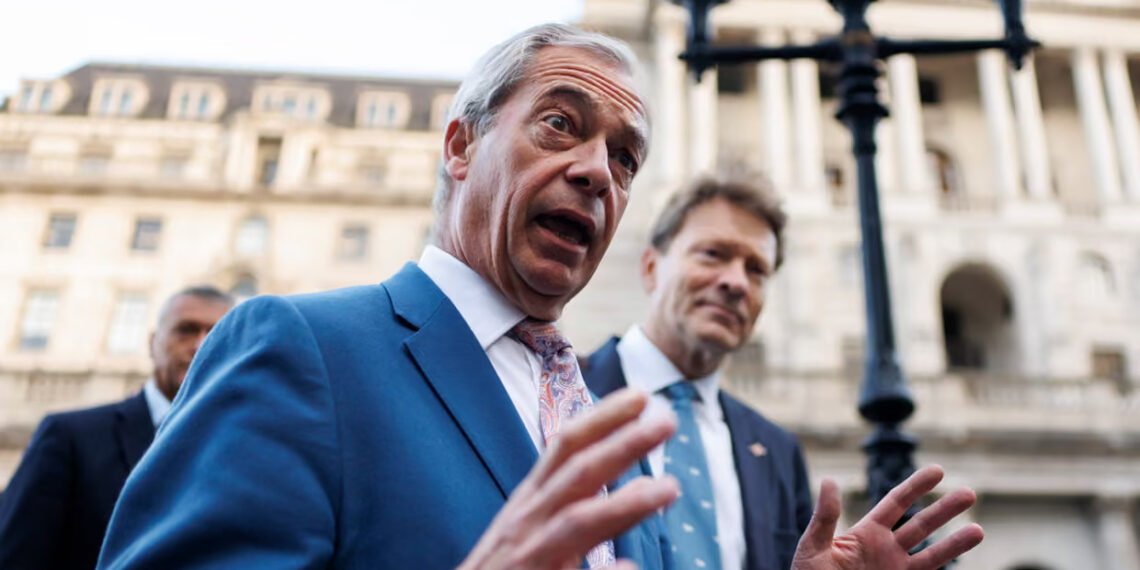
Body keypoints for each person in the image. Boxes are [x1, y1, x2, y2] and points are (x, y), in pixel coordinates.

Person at [99, 24, 983, 570]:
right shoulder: (297, 347)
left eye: (626, 157)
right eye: (561, 123)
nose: (598, 170)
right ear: (459, 145)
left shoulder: (605, 428)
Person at [581, 175, 812, 570]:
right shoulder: (559, 388)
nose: (736, 281)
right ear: (651, 267)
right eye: (713, 254)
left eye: (756, 270)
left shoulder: (778, 451)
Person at [0, 286, 234, 570]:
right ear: (152, 343)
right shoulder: (71, 436)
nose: (200, 345)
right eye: (186, 330)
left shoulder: (244, 450)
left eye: (216, 334)